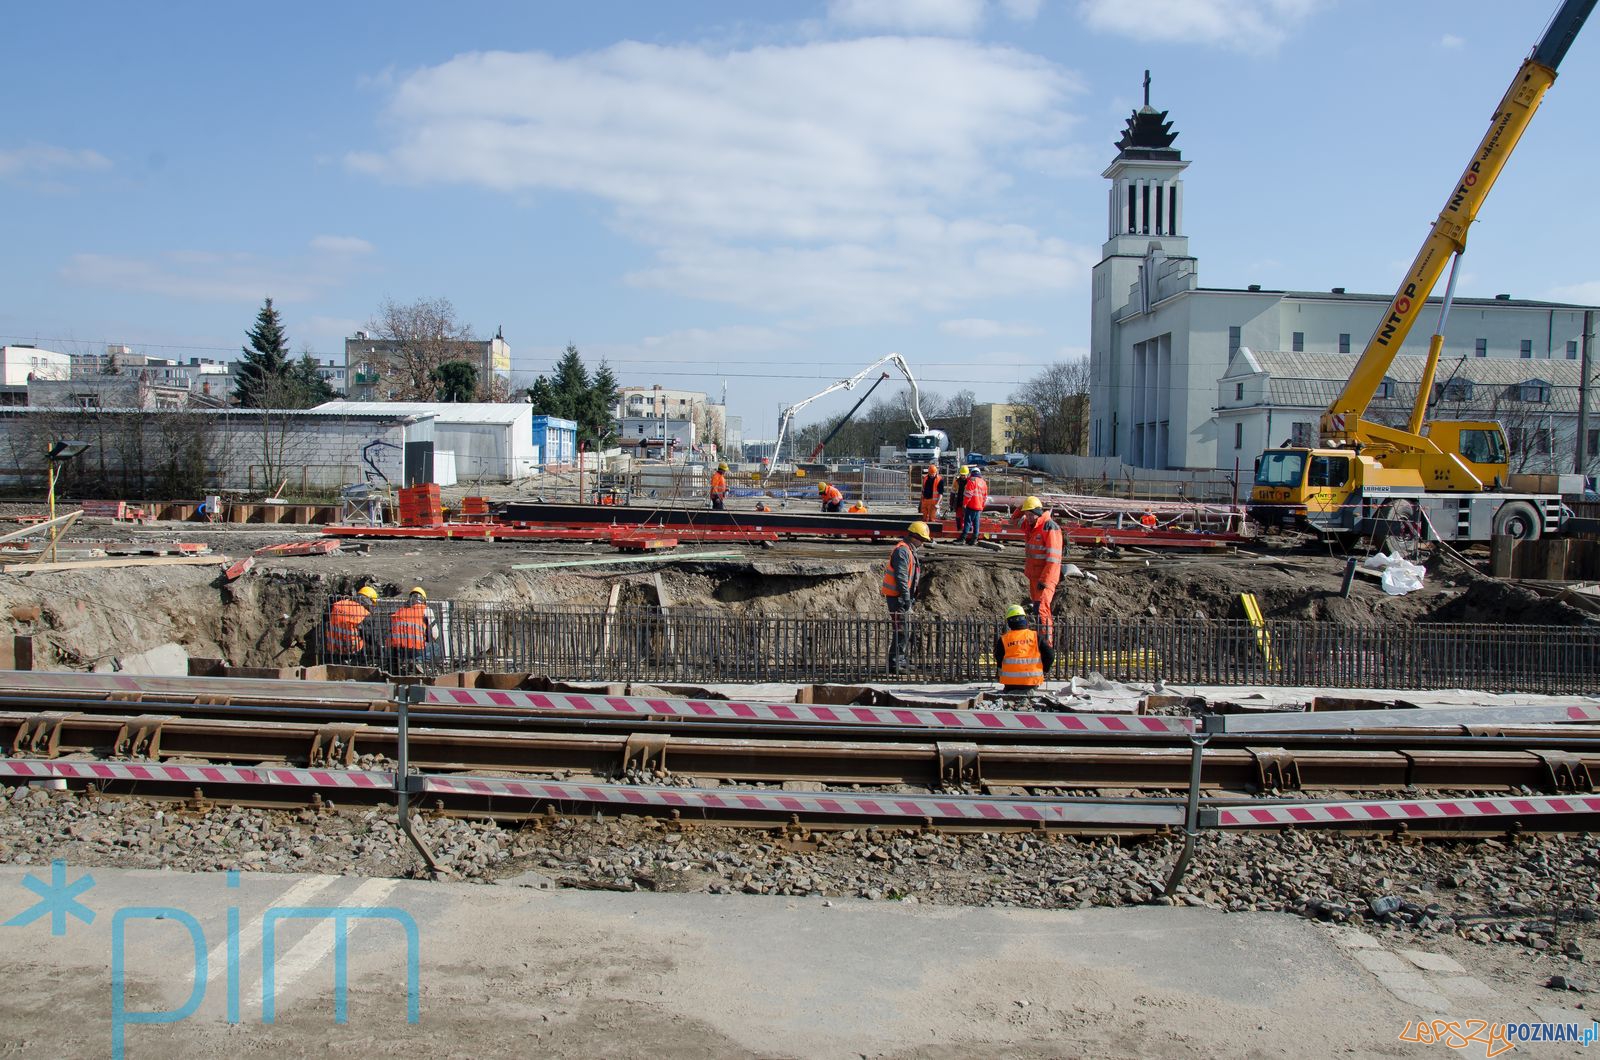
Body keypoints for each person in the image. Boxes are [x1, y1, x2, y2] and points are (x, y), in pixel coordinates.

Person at [881, 520, 931, 672]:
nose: (923, 543)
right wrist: (906, 598)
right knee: (901, 630)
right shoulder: (902, 551)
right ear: (914, 536)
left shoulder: (908, 550)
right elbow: (901, 577)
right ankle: (895, 663)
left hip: (901, 597)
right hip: (897, 598)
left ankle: (901, 659)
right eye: (922, 539)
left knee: (904, 630)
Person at [1018, 496, 1063, 639]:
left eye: (1030, 514)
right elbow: (1012, 522)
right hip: (1034, 576)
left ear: (1038, 512)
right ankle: (1041, 639)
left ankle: (1047, 643)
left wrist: (1044, 580)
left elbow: (1053, 559)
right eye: (1026, 514)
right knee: (1037, 610)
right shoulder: (1031, 526)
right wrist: (1021, 507)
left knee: (1042, 609)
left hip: (1045, 578)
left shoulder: (1049, 527)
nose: (1028, 517)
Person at [993, 604, 1054, 691]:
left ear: (1009, 622)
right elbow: (1050, 655)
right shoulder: (1035, 636)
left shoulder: (1004, 639)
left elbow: (998, 659)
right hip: (1032, 683)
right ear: (1025, 619)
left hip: (1010, 684)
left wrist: (1000, 674)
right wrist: (1044, 670)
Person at [387, 586, 440, 673]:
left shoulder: (400, 610)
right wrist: (428, 638)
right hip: (416, 648)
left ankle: (402, 664)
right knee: (436, 648)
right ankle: (420, 663)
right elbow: (435, 634)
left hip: (398, 649)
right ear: (423, 600)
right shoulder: (426, 610)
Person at [325, 585, 378, 664]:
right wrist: (376, 645)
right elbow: (368, 636)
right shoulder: (364, 613)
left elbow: (327, 621)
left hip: (332, 647)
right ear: (369, 600)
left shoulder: (337, 605)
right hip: (351, 650)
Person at [960, 466, 988, 545]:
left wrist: (964, 504)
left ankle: (963, 538)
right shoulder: (983, 482)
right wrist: (982, 506)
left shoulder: (972, 480)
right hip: (979, 507)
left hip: (971, 505)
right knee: (976, 524)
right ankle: (974, 539)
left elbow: (968, 494)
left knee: (967, 522)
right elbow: (985, 497)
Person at [949, 465, 970, 530]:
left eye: (964, 475)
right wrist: (951, 504)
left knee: (967, 519)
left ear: (967, 474)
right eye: (962, 475)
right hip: (958, 503)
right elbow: (952, 493)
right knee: (958, 518)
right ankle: (959, 530)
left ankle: (967, 533)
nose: (963, 476)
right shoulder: (956, 482)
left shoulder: (970, 482)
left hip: (967, 505)